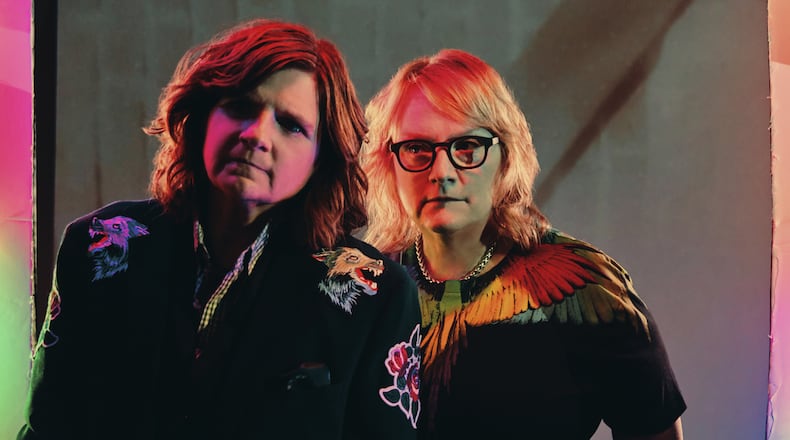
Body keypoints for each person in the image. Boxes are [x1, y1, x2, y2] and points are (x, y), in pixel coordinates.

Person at [20, 19, 421, 439]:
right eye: (241, 107)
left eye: (290, 124)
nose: (257, 135)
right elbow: (46, 426)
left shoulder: (379, 294)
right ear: (203, 117)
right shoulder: (98, 243)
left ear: (321, 157)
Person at [360, 48, 686, 439]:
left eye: (467, 147)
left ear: (505, 157)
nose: (441, 171)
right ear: (387, 161)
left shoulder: (586, 286)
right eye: (417, 148)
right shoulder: (362, 291)